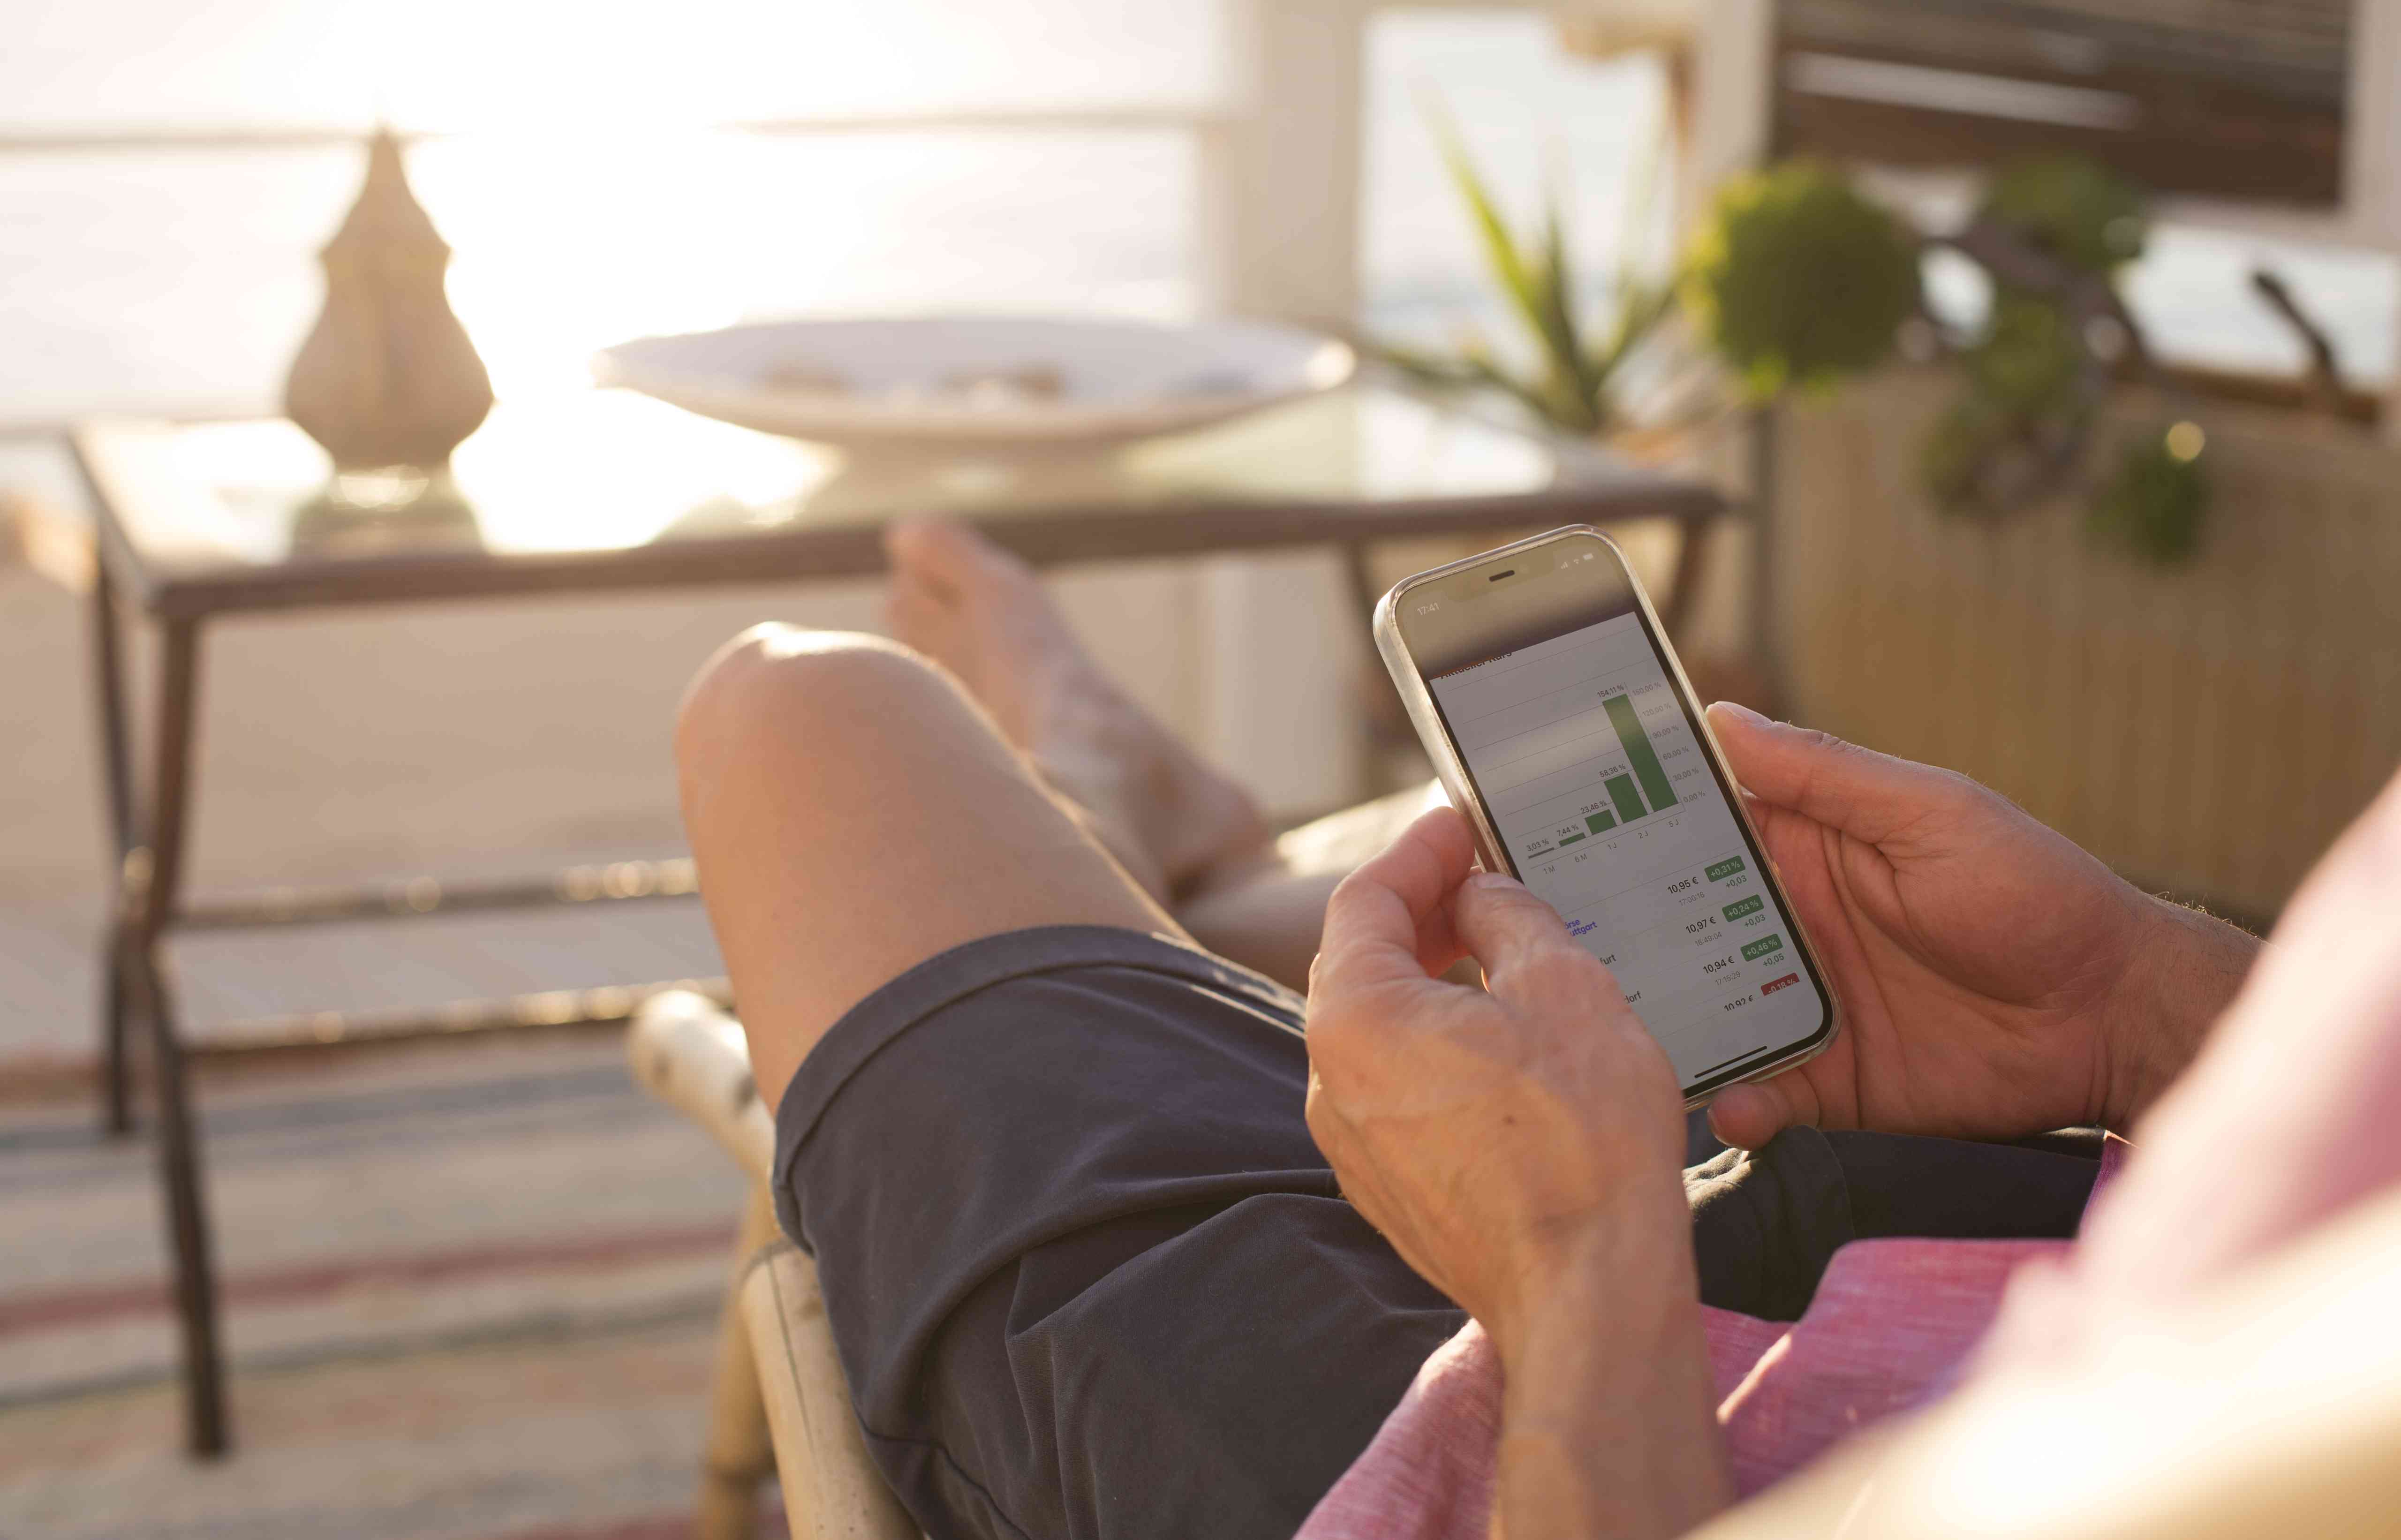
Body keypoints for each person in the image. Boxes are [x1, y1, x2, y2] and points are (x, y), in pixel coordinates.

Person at [674, 519, 2267, 1540]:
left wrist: (1583, 1276)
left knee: (804, 710)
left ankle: (1106, 792)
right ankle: (1135, 827)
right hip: (1968, 1222)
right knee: (1524, 908)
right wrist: (2146, 1003)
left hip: (1509, 1458)